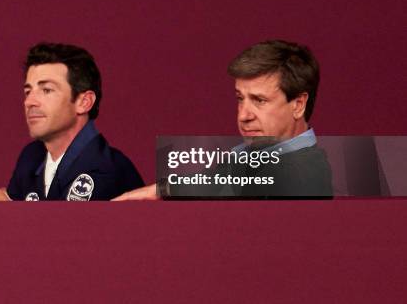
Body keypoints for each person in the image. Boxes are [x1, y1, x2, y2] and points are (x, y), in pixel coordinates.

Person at [113, 39, 332, 200]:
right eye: (240, 99)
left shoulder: (305, 170)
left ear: (298, 105)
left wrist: (161, 190)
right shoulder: (248, 158)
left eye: (259, 100)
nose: (243, 116)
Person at [0, 42, 144, 201]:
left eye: (46, 90)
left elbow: (58, 225)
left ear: (84, 102)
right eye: (28, 92)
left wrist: (7, 210)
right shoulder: (31, 156)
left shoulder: (106, 168)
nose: (29, 102)